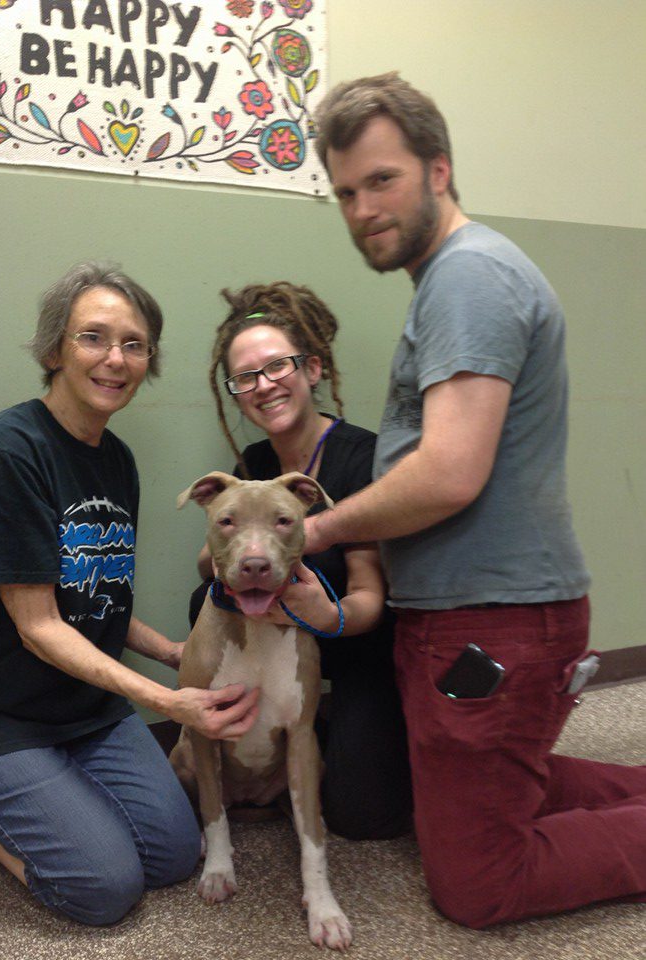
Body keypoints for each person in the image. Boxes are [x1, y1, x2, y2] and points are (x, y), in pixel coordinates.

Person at [303, 73, 646, 926]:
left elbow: (450, 472)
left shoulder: (468, 278)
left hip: (492, 620)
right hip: (473, 612)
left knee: (477, 883)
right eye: (345, 192)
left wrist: (319, 527)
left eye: (381, 180)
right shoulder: (456, 277)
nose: (362, 209)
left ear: (438, 169)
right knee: (480, 791)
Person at [0, 262, 260, 926]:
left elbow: (94, 596)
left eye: (133, 344)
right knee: (103, 888)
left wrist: (173, 653)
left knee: (173, 855)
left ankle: (49, 795)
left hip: (79, 707)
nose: (116, 359)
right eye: (93, 338)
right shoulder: (8, 452)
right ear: (54, 350)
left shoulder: (114, 458)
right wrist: (170, 701)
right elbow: (39, 627)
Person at [193, 280, 412, 841]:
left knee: (363, 816)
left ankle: (338, 722)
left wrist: (326, 614)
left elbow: (370, 598)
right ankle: (275, 732)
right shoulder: (254, 463)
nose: (262, 386)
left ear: (313, 369)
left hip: (356, 645)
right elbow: (216, 556)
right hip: (278, 645)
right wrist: (222, 554)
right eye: (245, 377)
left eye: (277, 367)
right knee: (205, 598)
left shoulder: (362, 457)